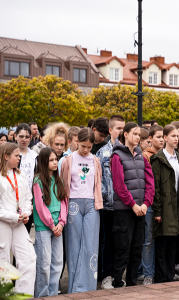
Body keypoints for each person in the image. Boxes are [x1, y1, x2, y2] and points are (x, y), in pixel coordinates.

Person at [110, 122, 155, 288]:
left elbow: (150, 183)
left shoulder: (141, 156)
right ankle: (117, 282)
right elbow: (119, 185)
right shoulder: (117, 156)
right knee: (123, 248)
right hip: (125, 211)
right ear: (126, 134)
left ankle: (132, 283)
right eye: (134, 134)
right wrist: (133, 205)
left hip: (141, 210)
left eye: (139, 135)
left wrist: (145, 204)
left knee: (137, 248)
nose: (137, 137)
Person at [60, 128, 103, 293]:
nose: (86, 150)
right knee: (73, 247)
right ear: (77, 141)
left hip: (92, 204)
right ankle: (74, 288)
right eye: (83, 146)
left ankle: (88, 288)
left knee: (91, 247)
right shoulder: (67, 160)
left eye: (89, 147)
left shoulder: (95, 160)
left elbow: (98, 184)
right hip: (73, 205)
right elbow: (63, 185)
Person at [151, 125, 179, 283]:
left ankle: (170, 275)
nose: (176, 138)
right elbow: (156, 186)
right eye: (172, 135)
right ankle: (161, 277)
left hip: (177, 206)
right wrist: (158, 210)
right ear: (164, 137)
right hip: (164, 206)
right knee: (162, 243)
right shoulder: (158, 159)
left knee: (173, 242)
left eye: (177, 135)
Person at [0, 143, 36, 295]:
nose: (19, 158)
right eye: (16, 155)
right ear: (6, 156)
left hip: (19, 222)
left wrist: (26, 212)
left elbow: (28, 198)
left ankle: (23, 295)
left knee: (28, 258)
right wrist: (13, 216)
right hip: (3, 223)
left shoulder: (20, 176)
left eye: (19, 155)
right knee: (2, 260)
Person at [33, 148, 68, 297]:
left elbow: (64, 202)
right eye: (52, 160)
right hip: (44, 227)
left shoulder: (58, 179)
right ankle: (42, 294)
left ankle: (53, 294)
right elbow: (40, 207)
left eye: (56, 159)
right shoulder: (38, 181)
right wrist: (52, 225)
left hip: (58, 227)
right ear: (43, 162)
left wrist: (61, 222)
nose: (55, 162)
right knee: (44, 264)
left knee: (58, 263)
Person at [96, 115, 125, 289]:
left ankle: (118, 276)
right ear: (110, 130)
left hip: (124, 206)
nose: (121, 131)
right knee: (108, 243)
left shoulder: (128, 151)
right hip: (108, 206)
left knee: (121, 242)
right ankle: (106, 275)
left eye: (123, 128)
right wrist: (106, 196)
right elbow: (98, 179)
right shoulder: (103, 152)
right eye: (118, 128)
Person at [140, 124, 164, 285]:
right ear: (150, 138)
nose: (161, 140)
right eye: (158, 137)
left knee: (161, 239)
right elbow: (148, 182)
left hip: (163, 204)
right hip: (149, 203)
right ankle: (148, 273)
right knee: (148, 240)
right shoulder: (146, 156)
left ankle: (158, 271)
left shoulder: (167, 155)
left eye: (163, 137)